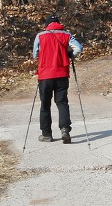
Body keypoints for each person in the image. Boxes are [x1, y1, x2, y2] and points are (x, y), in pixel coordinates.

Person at [32, 14, 83, 143]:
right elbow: (78, 48)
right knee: (62, 102)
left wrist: (43, 56)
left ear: (47, 25)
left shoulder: (40, 36)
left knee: (45, 104)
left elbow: (35, 54)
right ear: (58, 24)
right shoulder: (66, 35)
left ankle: (46, 134)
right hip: (61, 74)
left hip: (45, 75)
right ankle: (65, 129)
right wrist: (70, 54)